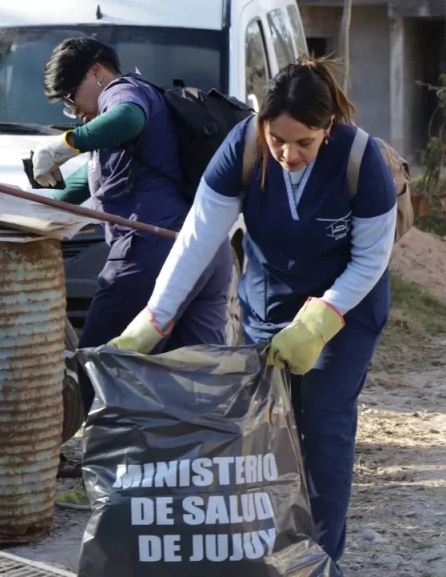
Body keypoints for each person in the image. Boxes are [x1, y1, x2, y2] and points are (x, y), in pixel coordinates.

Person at [109, 56, 397, 564]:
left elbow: (371, 257)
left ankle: (319, 563)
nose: (289, 153)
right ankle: (267, 556)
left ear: (328, 127)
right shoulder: (242, 148)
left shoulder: (361, 159)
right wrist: (155, 318)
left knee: (323, 435)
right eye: (277, 140)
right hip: (267, 306)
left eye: (304, 142)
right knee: (262, 439)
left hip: (344, 314)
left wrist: (319, 320)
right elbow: (200, 237)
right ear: (262, 124)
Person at [32, 36, 234, 510]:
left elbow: (125, 119)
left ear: (97, 73)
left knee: (103, 363)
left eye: (70, 98)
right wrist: (20, 205)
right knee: (189, 374)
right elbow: (81, 187)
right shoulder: (135, 125)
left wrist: (66, 143)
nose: (72, 112)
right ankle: (194, 483)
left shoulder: (124, 93)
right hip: (205, 253)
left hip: (151, 251)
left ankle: (102, 480)